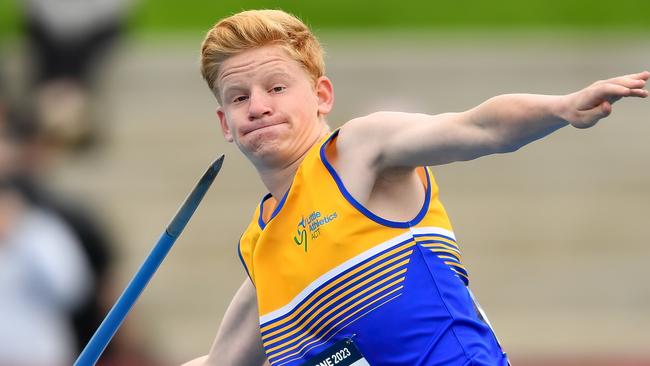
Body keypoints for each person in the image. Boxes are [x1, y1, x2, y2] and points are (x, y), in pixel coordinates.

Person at [184, 9, 648, 366]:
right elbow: (223, 360)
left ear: (322, 95)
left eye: (277, 88)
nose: (258, 107)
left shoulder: (358, 152)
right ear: (226, 122)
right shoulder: (261, 249)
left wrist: (561, 108)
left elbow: (478, 127)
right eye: (240, 97)